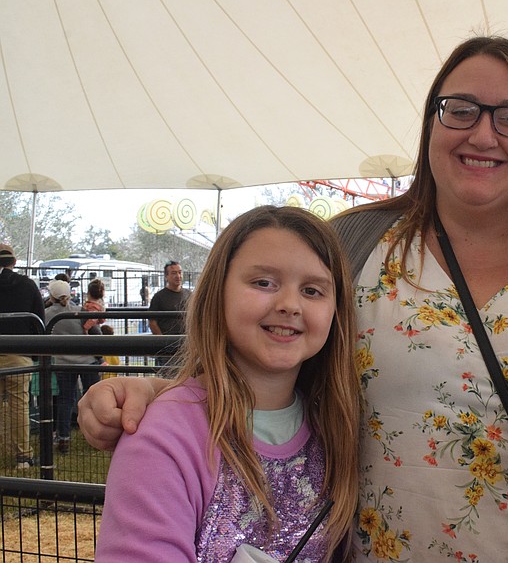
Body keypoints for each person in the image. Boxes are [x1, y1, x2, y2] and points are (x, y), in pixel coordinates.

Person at [79, 36, 508, 562]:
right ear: (432, 122)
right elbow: (267, 349)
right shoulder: (355, 242)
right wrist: (167, 393)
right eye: (461, 109)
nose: (483, 134)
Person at [96, 206, 360, 562]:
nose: (289, 305)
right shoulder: (162, 437)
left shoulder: (336, 430)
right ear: (217, 293)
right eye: (263, 283)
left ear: (335, 310)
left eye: (312, 291)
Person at [44, 279, 102, 454]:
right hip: (87, 361)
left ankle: (63, 438)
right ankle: (96, 437)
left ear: (51, 295)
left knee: (65, 401)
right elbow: (96, 333)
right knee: (92, 399)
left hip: (63, 363)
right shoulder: (79, 311)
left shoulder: (45, 314)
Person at [0, 243, 45, 469]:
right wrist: (36, 353)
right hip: (20, 355)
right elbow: (39, 320)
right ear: (14, 262)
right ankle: (23, 457)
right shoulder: (28, 285)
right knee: (20, 406)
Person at [148, 260, 192, 368]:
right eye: (173, 273)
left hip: (186, 345)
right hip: (168, 348)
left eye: (179, 272)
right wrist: (162, 341)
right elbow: (152, 322)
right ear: (166, 276)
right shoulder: (159, 297)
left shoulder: (189, 294)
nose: (178, 276)